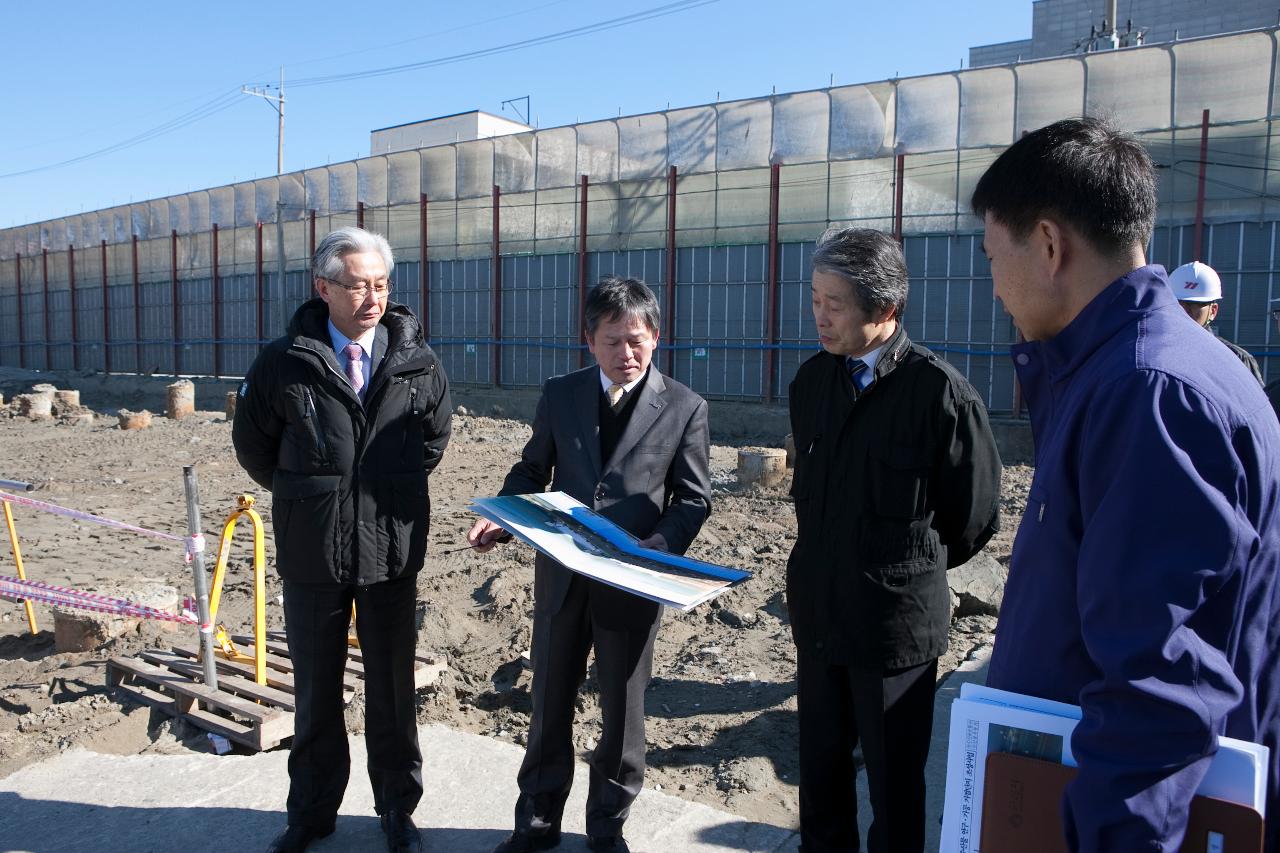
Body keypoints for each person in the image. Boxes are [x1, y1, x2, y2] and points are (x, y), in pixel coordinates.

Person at [973, 116, 1280, 851]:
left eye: (991, 258)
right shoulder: (1127, 370)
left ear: (1049, 245)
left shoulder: (1148, 393)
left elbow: (1159, 693)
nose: (993, 287)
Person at [467, 277, 711, 853]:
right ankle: (537, 822)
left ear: (656, 337)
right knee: (549, 699)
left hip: (631, 580)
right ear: (589, 340)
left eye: (637, 341)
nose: (626, 355)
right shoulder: (562, 394)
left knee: (622, 712)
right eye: (612, 342)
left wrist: (657, 545)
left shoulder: (684, 407)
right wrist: (505, 514)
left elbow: (694, 498)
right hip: (562, 575)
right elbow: (532, 470)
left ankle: (607, 826)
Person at [233, 226, 452, 853]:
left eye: (381, 285)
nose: (372, 298)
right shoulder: (284, 362)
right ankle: (311, 814)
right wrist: (316, 491)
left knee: (392, 691)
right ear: (323, 286)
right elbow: (255, 446)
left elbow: (434, 439)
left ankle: (397, 811)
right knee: (315, 692)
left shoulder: (416, 361)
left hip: (390, 551)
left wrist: (386, 487)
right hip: (313, 552)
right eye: (357, 285)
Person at [786, 227, 1002, 853]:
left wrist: (902, 566)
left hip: (893, 628)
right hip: (822, 614)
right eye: (815, 297)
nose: (819, 315)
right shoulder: (811, 384)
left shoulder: (939, 395)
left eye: (835, 303)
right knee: (820, 779)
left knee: (893, 788)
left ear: (884, 310)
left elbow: (973, 519)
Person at [1167, 260, 1264, 384]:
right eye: (1178, 304)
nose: (1184, 311)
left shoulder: (1237, 359)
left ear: (1213, 310)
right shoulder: (1149, 352)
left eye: (1193, 305)